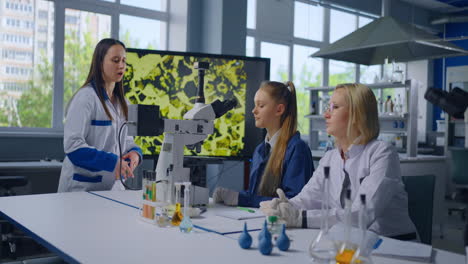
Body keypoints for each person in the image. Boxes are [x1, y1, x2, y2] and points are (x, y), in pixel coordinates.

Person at [260, 83, 417, 239]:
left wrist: (300, 218)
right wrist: (285, 206)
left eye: (335, 107)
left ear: (357, 114)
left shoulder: (382, 153)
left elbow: (361, 214)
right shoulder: (330, 158)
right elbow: (308, 198)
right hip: (350, 241)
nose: (326, 115)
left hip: (392, 244)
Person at [58, 38, 142, 192]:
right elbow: (73, 147)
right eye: (115, 60)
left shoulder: (124, 103)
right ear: (100, 62)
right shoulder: (85, 98)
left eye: (124, 60)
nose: (121, 65)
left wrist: (136, 153)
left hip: (113, 189)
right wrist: (113, 162)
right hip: (82, 189)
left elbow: (127, 141)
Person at [212, 81, 314, 207]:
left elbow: (293, 202)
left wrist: (240, 199)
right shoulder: (260, 150)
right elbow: (255, 195)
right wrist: (234, 196)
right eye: (255, 105)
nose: (254, 111)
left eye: (260, 106)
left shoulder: (297, 149)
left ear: (279, 109)